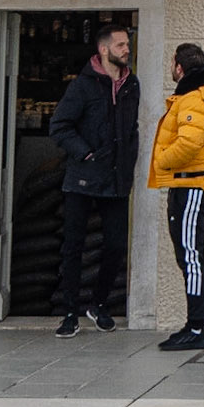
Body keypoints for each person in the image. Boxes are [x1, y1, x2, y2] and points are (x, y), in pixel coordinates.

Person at [48, 20, 140, 338]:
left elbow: (131, 130)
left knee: (115, 245)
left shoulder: (132, 84)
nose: (126, 50)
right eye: (120, 45)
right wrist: (85, 153)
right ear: (103, 50)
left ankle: (99, 305)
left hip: (116, 179)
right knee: (73, 246)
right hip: (82, 178)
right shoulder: (83, 86)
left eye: (127, 45)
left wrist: (129, 164)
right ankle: (70, 313)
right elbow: (59, 125)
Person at [147, 40, 204, 352]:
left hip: (191, 186)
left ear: (179, 66)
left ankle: (197, 327)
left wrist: (159, 160)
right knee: (198, 255)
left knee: (191, 256)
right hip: (197, 185)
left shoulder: (192, 100)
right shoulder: (199, 96)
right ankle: (201, 325)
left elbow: (189, 144)